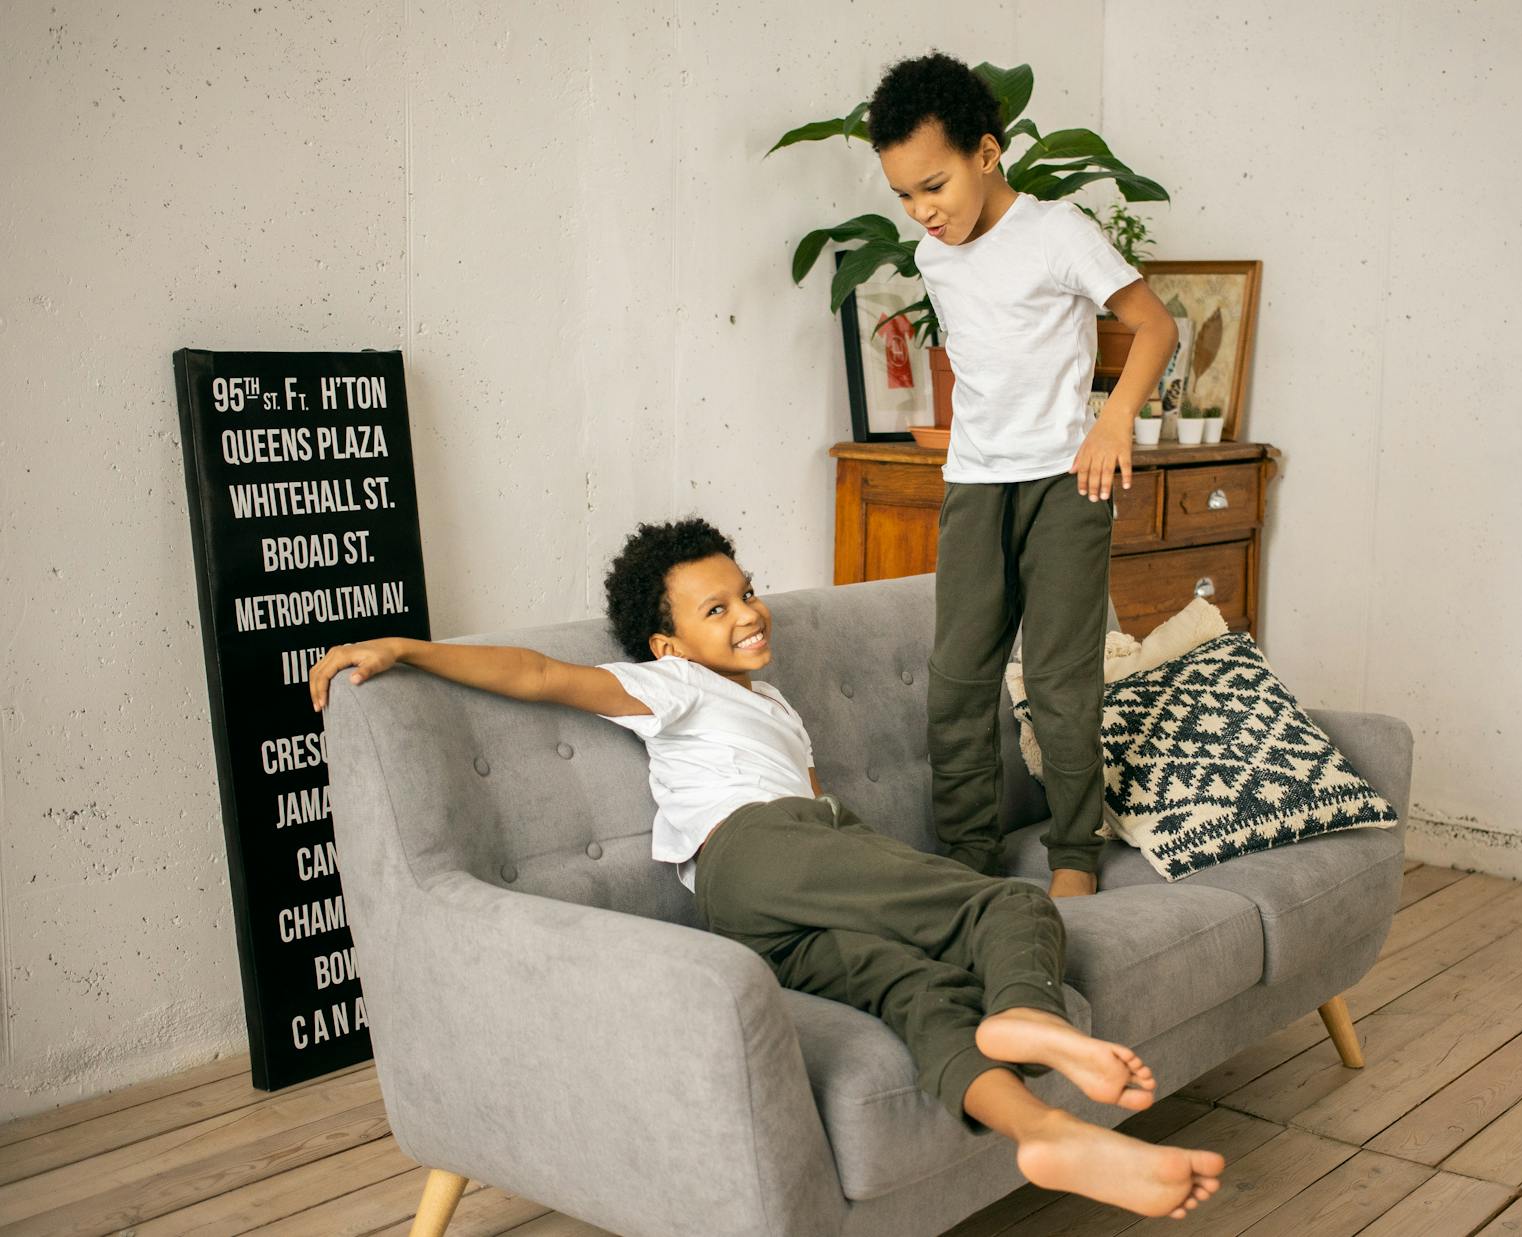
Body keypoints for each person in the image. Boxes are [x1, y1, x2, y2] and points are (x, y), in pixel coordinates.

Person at [310, 518, 1225, 1220]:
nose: (748, 613)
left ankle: (1044, 1132)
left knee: (921, 992)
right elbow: (542, 676)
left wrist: (865, 854)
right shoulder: (670, 687)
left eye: (746, 591)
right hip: (757, 848)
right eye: (717, 609)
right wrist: (408, 647)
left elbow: (825, 813)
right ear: (667, 645)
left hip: (758, 911)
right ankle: (1028, 1014)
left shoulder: (776, 704)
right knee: (1012, 913)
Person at [868, 53, 1180, 898]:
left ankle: (1073, 861)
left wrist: (1112, 419)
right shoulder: (934, 256)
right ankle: (967, 864)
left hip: (1066, 482)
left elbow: (1154, 326)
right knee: (957, 680)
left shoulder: (1056, 231)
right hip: (974, 483)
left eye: (933, 184)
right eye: (902, 194)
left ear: (987, 153)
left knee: (1057, 678)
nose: (921, 211)